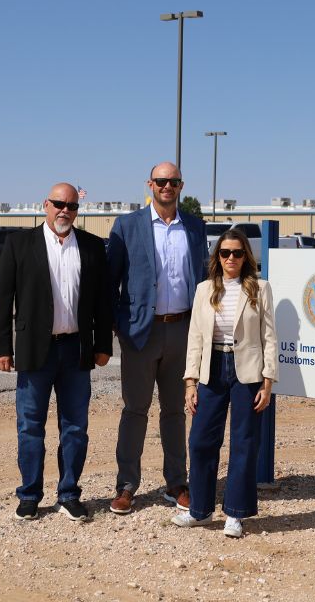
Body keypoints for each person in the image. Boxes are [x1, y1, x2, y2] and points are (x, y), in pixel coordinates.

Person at [0, 182, 112, 522]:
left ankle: (69, 494)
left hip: (76, 350)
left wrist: (103, 345)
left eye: (71, 206)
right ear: (46, 204)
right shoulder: (20, 244)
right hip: (34, 351)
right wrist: (1, 348)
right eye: (59, 203)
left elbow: (103, 301)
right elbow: (1, 299)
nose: (65, 211)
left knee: (75, 427)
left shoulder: (91, 246)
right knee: (30, 426)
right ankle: (29, 495)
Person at [106, 161, 208, 514]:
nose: (167, 186)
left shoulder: (194, 227)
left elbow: (202, 279)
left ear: (181, 186)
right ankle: (126, 485)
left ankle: (176, 483)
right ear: (150, 184)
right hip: (140, 333)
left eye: (173, 181)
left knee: (175, 410)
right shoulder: (127, 225)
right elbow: (110, 281)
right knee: (135, 409)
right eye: (161, 181)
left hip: (182, 329)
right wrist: (119, 325)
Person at [171, 228, 277, 538]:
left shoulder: (260, 288)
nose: (231, 258)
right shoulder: (204, 290)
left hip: (248, 372)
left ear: (246, 256)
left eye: (237, 253)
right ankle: (200, 511)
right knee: (201, 440)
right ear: (217, 256)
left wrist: (268, 381)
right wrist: (190, 382)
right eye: (225, 252)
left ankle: (235, 514)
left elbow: (269, 337)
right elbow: (195, 337)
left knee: (244, 442)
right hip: (212, 369)